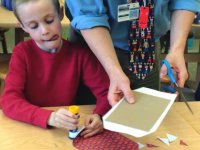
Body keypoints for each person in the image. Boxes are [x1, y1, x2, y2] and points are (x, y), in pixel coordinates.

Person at [0, 0, 111, 138]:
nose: (45, 31)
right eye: (34, 26)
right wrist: (49, 117)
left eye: (49, 20)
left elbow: (106, 91)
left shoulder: (80, 54)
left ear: (60, 13)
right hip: (30, 127)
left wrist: (99, 115)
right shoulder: (21, 53)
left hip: (65, 131)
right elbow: (9, 101)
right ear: (23, 27)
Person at [65, 0, 200, 106]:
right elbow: (88, 14)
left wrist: (177, 49)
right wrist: (113, 70)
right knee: (95, 118)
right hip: (96, 47)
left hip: (146, 45)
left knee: (145, 115)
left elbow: (185, 1)